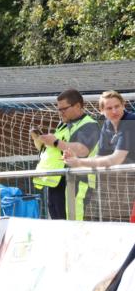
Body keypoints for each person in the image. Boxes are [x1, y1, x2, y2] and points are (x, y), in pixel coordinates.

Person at [65, 90, 135, 222]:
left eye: (117, 106)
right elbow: (99, 157)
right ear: (101, 111)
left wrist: (79, 163)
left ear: (123, 105)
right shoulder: (107, 125)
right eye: (109, 108)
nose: (114, 111)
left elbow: (115, 159)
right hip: (123, 186)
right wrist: (76, 160)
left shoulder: (130, 121)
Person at [33, 89, 101, 220]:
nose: (60, 112)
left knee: (73, 223)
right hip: (57, 182)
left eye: (64, 109)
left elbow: (82, 150)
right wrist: (41, 141)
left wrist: (55, 142)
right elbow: (55, 149)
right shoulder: (63, 125)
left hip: (77, 182)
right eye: (59, 109)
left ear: (78, 106)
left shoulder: (89, 124)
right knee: (59, 224)